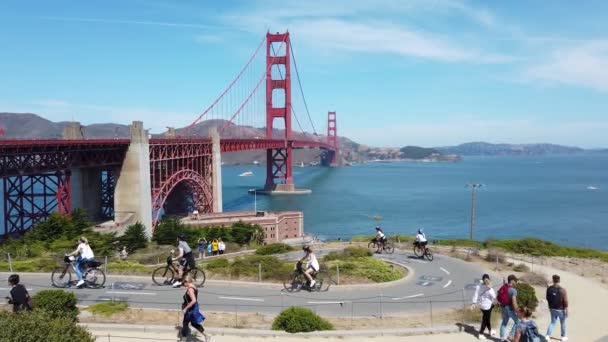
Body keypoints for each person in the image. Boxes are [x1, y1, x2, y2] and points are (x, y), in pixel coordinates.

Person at [180, 274, 210, 341]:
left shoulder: (190, 289)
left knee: (187, 323)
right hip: (192, 308)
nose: (182, 284)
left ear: (186, 281)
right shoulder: (192, 286)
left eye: (183, 282)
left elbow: (193, 300)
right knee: (191, 323)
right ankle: (206, 336)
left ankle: (184, 338)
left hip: (190, 309)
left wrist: (185, 308)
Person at [471, 274, 497, 340]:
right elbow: (494, 297)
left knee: (487, 318)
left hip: (481, 306)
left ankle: (490, 330)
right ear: (489, 279)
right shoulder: (490, 289)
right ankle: (481, 333)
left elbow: (475, 294)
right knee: (485, 320)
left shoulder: (478, 286)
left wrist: (473, 303)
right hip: (488, 306)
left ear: (482, 280)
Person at [546, 274, 569, 341]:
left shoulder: (549, 289)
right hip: (560, 309)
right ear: (559, 280)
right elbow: (565, 301)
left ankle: (547, 336)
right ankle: (563, 337)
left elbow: (547, 298)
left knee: (552, 322)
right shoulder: (562, 290)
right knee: (563, 323)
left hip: (552, 308)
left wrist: (549, 307)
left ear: (552, 280)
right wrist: (567, 310)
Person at [498, 274, 520, 341]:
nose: (516, 282)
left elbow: (498, 296)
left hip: (503, 307)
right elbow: (514, 302)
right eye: (515, 281)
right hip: (509, 308)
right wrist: (517, 310)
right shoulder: (513, 290)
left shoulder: (503, 287)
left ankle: (502, 339)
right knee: (517, 322)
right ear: (512, 280)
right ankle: (510, 336)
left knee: (504, 322)